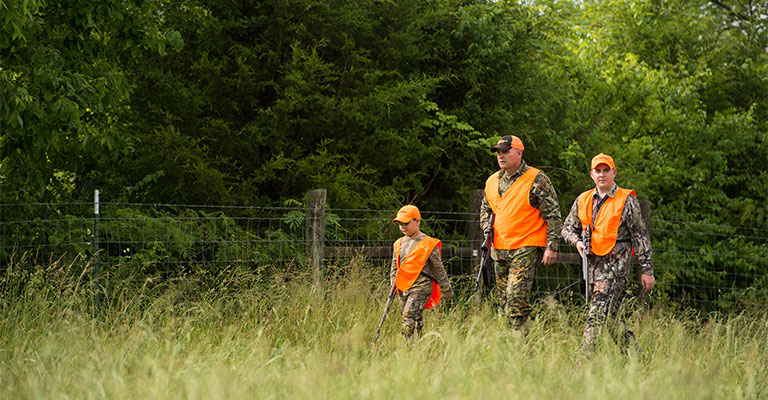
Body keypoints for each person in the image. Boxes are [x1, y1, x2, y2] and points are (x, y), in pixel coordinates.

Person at [561, 153, 655, 357]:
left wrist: (647, 270)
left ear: (614, 172)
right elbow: (567, 228)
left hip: (616, 266)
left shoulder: (626, 200)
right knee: (611, 317)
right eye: (598, 171)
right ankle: (636, 359)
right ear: (591, 174)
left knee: (596, 313)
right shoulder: (583, 199)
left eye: (606, 170)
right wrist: (577, 242)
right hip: (592, 266)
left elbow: (640, 236)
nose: (602, 174)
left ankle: (583, 364)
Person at [479, 135, 562, 332]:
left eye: (505, 151)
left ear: (519, 152)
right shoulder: (492, 181)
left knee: (516, 298)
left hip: (525, 246)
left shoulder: (537, 179)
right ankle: (515, 340)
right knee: (503, 301)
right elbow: (485, 209)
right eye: (498, 152)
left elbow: (553, 213)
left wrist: (552, 246)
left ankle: (519, 344)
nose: (501, 155)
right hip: (498, 248)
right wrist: (486, 228)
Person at [390, 205, 454, 340]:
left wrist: (446, 289)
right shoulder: (398, 243)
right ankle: (420, 347)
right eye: (400, 224)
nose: (403, 227)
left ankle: (407, 350)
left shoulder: (428, 243)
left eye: (406, 223)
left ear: (417, 221)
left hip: (421, 287)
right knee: (415, 319)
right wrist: (393, 282)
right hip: (403, 287)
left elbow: (438, 268)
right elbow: (395, 266)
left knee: (408, 319)